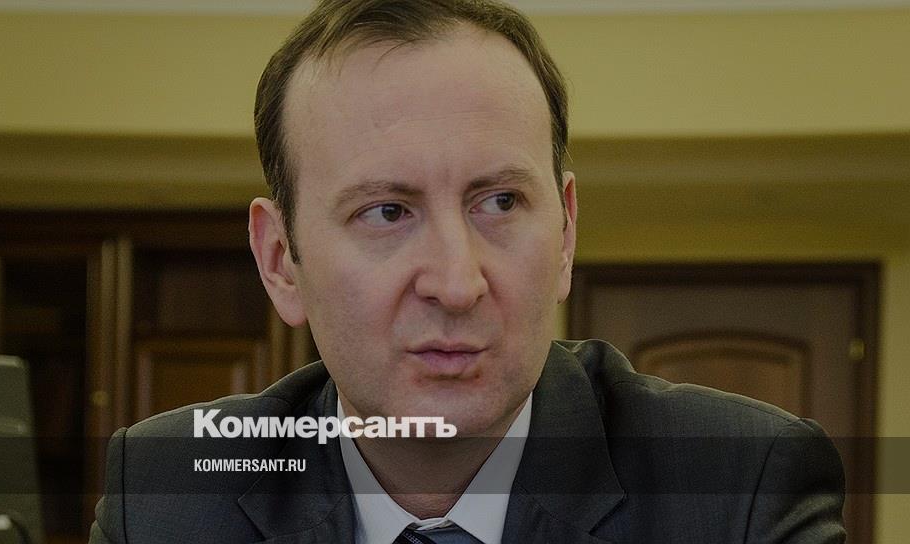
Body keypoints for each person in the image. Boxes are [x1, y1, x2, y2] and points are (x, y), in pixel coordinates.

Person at [89, 1, 845, 542]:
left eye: (501, 202)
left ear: (566, 233)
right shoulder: (167, 498)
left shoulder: (740, 487)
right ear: (280, 260)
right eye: (387, 212)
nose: (457, 284)